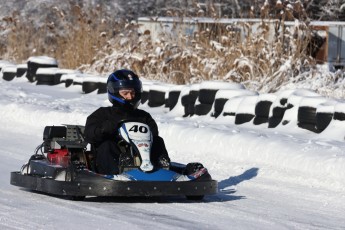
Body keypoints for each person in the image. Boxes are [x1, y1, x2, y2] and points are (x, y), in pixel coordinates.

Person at [84, 69, 170, 175]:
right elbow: (89, 135)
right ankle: (118, 173)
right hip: (109, 163)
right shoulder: (102, 114)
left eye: (132, 92)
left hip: (140, 157)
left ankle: (161, 170)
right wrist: (105, 129)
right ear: (114, 92)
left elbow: (153, 133)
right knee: (107, 145)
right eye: (125, 93)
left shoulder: (144, 116)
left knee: (158, 141)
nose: (130, 97)